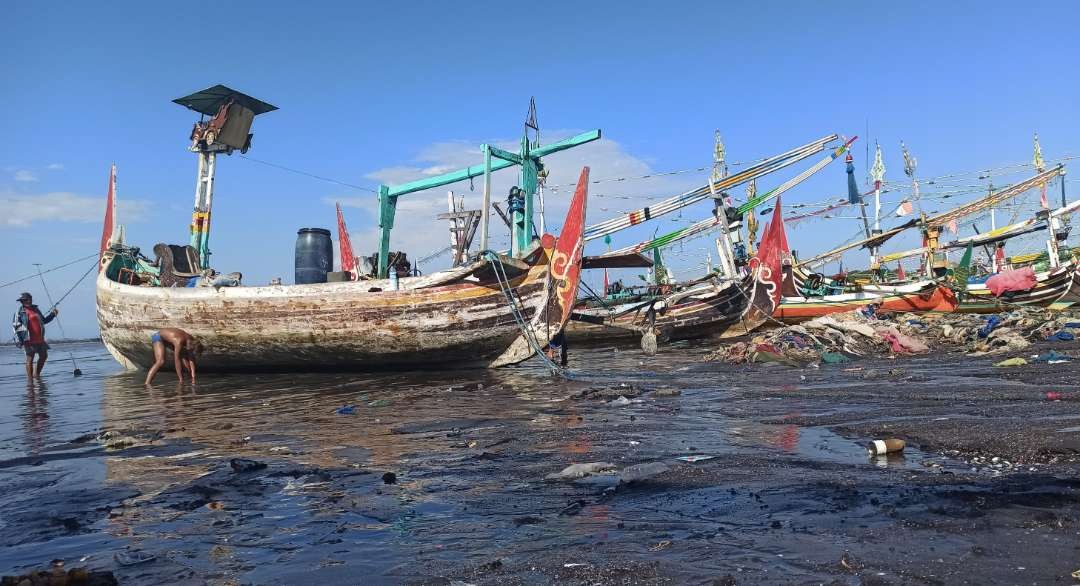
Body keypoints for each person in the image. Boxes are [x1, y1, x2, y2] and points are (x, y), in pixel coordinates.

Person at [13, 292, 58, 380]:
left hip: (40, 339)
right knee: (30, 358)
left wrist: (53, 314)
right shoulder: (20, 312)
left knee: (44, 356)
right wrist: (19, 340)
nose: (28, 301)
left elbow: (44, 321)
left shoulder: (36, 309)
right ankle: (30, 380)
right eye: (25, 300)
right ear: (22, 302)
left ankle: (36, 375)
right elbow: (16, 326)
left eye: (29, 299)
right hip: (28, 340)